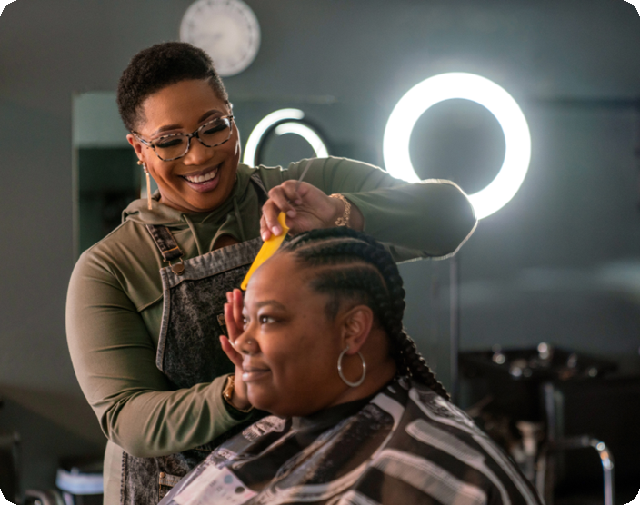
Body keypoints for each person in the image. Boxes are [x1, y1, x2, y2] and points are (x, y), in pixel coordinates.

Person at [65, 42, 477, 505]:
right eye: (170, 141)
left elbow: (452, 218)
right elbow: (127, 419)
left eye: (213, 128)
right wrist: (235, 393)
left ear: (231, 116)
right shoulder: (109, 270)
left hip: (314, 479)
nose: (198, 156)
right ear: (138, 149)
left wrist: (343, 213)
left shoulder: (310, 192)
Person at [159, 227, 541, 505]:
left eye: (269, 320)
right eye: (246, 321)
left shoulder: (433, 475)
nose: (242, 341)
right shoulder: (272, 433)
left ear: (352, 330)